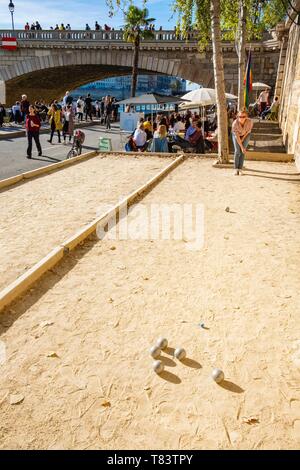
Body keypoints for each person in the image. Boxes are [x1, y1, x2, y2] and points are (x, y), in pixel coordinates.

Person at [231, 109, 253, 175]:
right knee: (237, 151)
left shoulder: (250, 122)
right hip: (236, 135)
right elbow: (237, 136)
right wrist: (241, 146)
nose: (242, 118)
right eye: (240, 116)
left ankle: (240, 169)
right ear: (237, 116)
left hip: (246, 135)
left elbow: (247, 132)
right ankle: (235, 169)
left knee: (243, 152)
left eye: (243, 116)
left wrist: (243, 139)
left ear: (246, 117)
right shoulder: (235, 123)